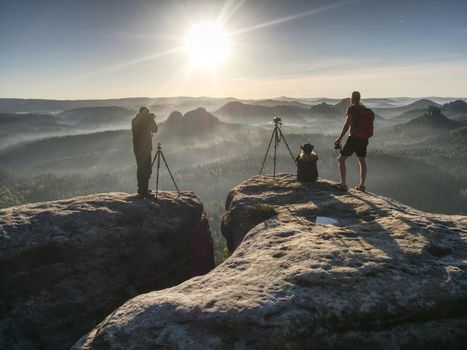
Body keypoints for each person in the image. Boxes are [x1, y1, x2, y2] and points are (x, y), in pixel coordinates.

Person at [334, 91, 374, 192]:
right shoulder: (364, 109)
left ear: (352, 98)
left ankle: (343, 184)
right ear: (359, 98)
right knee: (362, 161)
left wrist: (340, 138)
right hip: (364, 139)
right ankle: (362, 185)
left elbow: (347, 125)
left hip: (354, 138)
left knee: (341, 159)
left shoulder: (352, 108)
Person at [132, 106, 158, 197]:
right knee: (146, 169)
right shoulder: (147, 121)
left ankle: (142, 189)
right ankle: (144, 192)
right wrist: (151, 119)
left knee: (140, 168)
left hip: (137, 149)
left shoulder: (134, 120)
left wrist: (149, 119)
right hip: (145, 149)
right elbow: (155, 129)